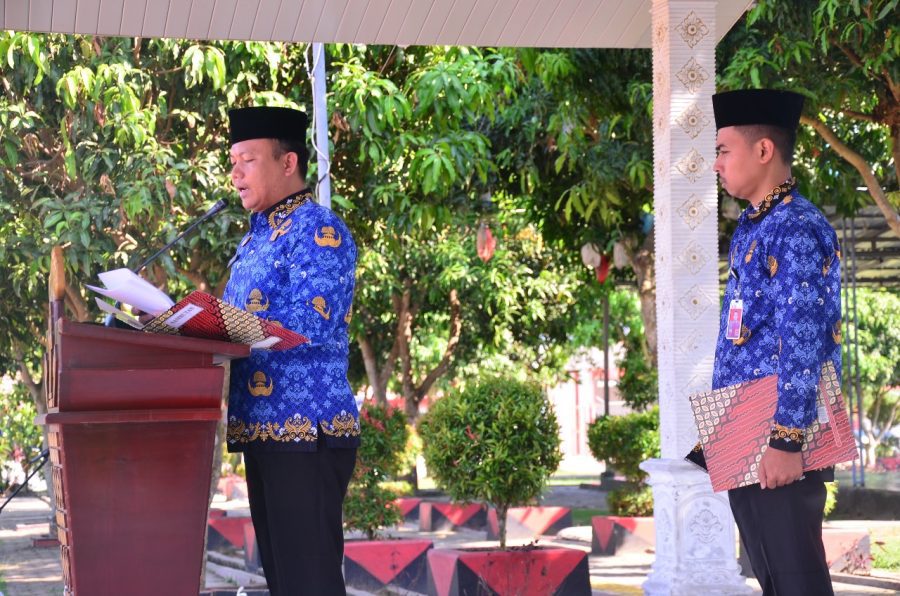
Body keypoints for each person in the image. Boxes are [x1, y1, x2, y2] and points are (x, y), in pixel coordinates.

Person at [222, 105, 359, 595]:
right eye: (233, 162)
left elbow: (312, 322)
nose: (235, 174)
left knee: (310, 584)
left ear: (287, 162)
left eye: (248, 160)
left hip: (307, 432)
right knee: (285, 584)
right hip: (261, 429)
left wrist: (221, 325)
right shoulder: (255, 239)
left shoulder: (319, 231)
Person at [711, 89, 841, 595]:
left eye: (724, 150)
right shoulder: (754, 226)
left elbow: (803, 336)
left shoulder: (796, 226)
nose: (717, 164)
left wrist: (787, 441)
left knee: (797, 582)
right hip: (746, 428)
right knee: (773, 579)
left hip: (778, 436)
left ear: (763, 150)